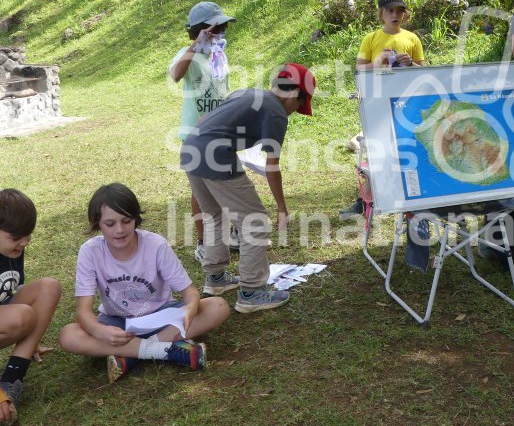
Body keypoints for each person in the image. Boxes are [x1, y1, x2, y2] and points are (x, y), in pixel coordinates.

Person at [58, 184, 230, 383]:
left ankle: (131, 355)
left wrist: (191, 307)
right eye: (110, 224)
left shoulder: (155, 245)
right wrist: (102, 332)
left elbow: (189, 292)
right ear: (97, 223)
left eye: (126, 220)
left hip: (161, 318)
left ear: (136, 219)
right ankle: (164, 351)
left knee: (218, 306)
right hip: (118, 323)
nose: (119, 230)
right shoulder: (90, 251)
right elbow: (83, 312)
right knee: (69, 335)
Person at [180, 64, 316, 313]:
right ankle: (252, 292)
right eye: (300, 105)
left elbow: (204, 120)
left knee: (214, 216)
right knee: (254, 221)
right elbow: (272, 166)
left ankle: (216, 279)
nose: (296, 112)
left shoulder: (247, 93)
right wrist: (282, 209)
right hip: (216, 155)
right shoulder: (276, 112)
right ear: (295, 94)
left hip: (191, 148)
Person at [339, 0, 425, 219]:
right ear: (381, 13)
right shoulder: (371, 38)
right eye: (390, 10)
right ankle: (365, 202)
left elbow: (425, 72)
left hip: (406, 103)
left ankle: (413, 197)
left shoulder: (412, 38)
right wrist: (377, 62)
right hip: (377, 103)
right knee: (377, 151)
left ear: (405, 14)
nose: (395, 14)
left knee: (408, 148)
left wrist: (410, 63)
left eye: (400, 10)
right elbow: (359, 70)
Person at [170, 1, 238, 263]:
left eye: (223, 28)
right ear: (202, 30)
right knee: (201, 191)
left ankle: (227, 234)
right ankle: (202, 243)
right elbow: (176, 75)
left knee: (227, 183)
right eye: (216, 27)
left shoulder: (219, 56)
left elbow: (223, 91)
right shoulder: (187, 55)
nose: (221, 33)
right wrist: (194, 46)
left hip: (221, 130)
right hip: (195, 134)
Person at [0, 190, 61, 426]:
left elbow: (14, 288)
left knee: (49, 287)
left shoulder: (14, 248)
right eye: (16, 237)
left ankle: (12, 379)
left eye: (28, 235)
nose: (24, 242)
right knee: (23, 315)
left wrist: (31, 336)